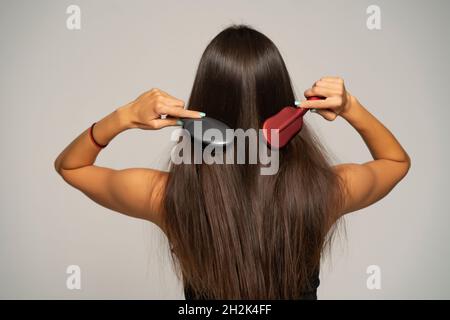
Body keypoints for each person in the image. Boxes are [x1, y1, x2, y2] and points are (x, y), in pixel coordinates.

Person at [54, 25, 411, 299]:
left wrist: (124, 116)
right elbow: (395, 162)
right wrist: (351, 107)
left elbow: (71, 166)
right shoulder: (327, 191)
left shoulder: (165, 196)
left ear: (204, 122)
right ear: (284, 115)